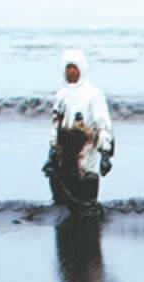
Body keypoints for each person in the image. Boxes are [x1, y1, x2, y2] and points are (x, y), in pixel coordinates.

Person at [43, 49, 115, 217]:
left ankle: (89, 235)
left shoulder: (93, 95)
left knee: (87, 202)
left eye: (75, 68)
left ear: (82, 69)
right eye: (68, 68)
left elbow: (103, 124)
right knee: (64, 204)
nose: (71, 72)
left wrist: (105, 154)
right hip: (64, 155)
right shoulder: (61, 95)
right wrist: (52, 150)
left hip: (86, 153)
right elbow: (55, 124)